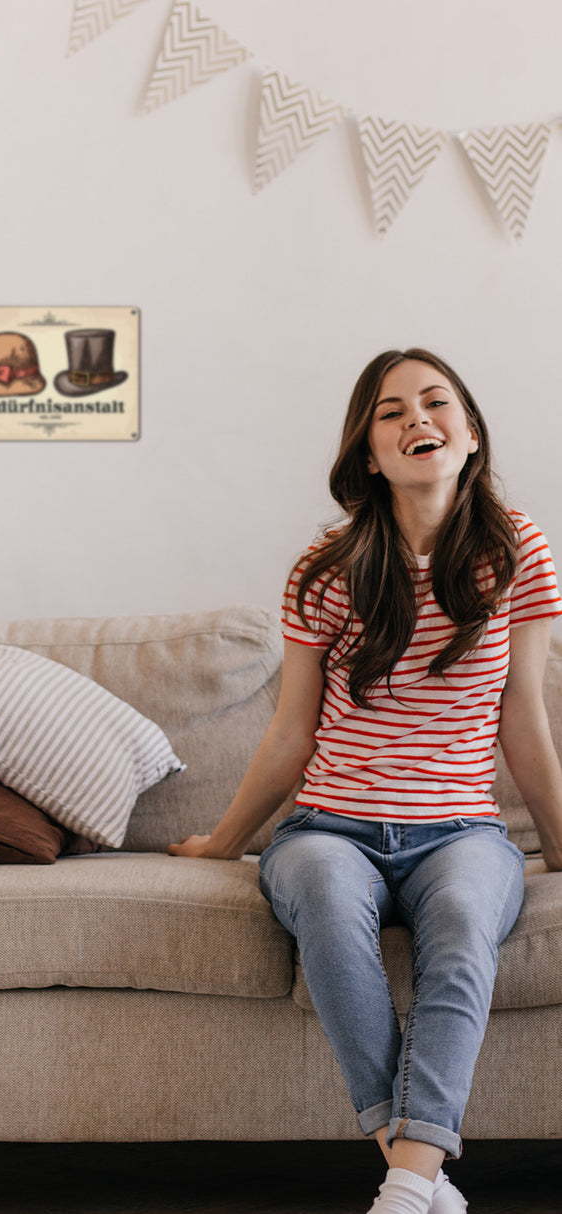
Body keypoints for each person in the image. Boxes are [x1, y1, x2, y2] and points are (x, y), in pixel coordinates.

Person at [169, 348, 562, 1214]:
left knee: (464, 924)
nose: (416, 417)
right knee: (323, 898)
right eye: (391, 411)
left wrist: (561, 847)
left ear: (469, 435)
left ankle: (406, 1186)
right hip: (328, 828)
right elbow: (291, 732)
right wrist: (224, 844)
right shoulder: (326, 567)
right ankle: (419, 1178)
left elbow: (523, 717)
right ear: (371, 453)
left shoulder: (516, 551)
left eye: (436, 402)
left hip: (462, 833)